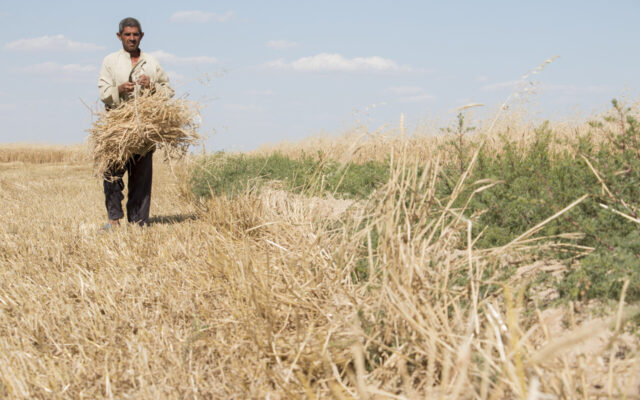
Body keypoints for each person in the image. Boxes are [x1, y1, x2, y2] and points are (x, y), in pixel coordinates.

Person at [98, 17, 174, 228]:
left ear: (142, 36)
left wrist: (152, 86)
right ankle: (114, 220)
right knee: (111, 175)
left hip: (143, 129)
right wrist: (120, 89)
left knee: (141, 179)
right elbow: (104, 93)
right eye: (127, 34)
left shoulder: (151, 62)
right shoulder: (110, 61)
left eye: (135, 34)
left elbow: (168, 91)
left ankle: (138, 223)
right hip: (117, 128)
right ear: (119, 36)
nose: (132, 38)